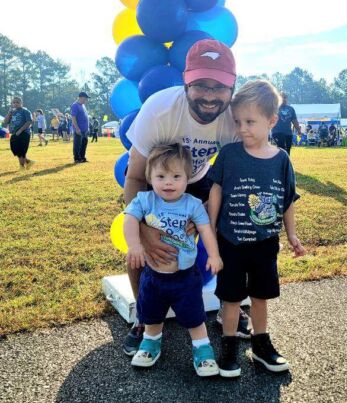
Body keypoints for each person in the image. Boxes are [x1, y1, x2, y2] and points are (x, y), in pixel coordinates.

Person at [123, 39, 250, 357]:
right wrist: (145, 228)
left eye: (219, 87)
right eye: (201, 85)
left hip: (201, 178)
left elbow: (241, 179)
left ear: (232, 88)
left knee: (234, 233)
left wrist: (209, 211)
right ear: (186, 81)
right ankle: (144, 316)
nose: (209, 95)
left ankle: (229, 306)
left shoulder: (236, 118)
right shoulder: (160, 108)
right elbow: (136, 176)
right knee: (142, 246)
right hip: (160, 178)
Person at [208, 80, 306, 377]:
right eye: (238, 122)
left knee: (261, 295)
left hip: (265, 243)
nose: (242, 128)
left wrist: (291, 234)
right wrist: (209, 228)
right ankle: (228, 345)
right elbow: (216, 191)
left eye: (250, 121)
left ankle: (261, 344)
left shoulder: (282, 160)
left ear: (272, 121)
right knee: (232, 296)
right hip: (231, 241)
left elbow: (287, 200)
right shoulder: (229, 154)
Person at [125, 143, 222, 376]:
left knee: (194, 315)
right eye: (161, 176)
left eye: (176, 176)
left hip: (185, 277)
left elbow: (206, 229)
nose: (168, 182)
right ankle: (150, 342)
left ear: (188, 178)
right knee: (151, 313)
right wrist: (135, 245)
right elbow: (129, 219)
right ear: (149, 176)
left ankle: (202, 349)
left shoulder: (193, 204)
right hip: (153, 275)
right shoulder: (145, 200)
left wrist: (214, 254)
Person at [3, 96, 34, 170]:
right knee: (15, 149)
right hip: (14, 133)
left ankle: (22, 167)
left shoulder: (25, 111)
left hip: (24, 133)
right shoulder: (12, 112)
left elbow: (29, 122)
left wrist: (20, 130)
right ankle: (28, 162)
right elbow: (5, 122)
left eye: (17, 102)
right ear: (12, 104)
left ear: (21, 103)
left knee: (21, 150)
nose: (16, 104)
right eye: (14, 102)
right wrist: (9, 113)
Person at [71, 91, 90, 163]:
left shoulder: (83, 105)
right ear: (81, 98)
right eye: (85, 98)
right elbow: (73, 117)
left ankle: (82, 157)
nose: (86, 100)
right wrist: (77, 128)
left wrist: (87, 128)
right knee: (77, 144)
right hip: (79, 129)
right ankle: (77, 158)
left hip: (85, 130)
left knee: (84, 143)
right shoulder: (75, 105)